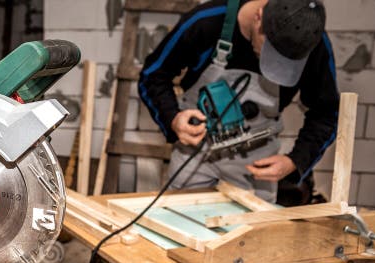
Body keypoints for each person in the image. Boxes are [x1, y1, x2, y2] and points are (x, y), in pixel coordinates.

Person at [139, 0, 339, 203]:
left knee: (251, 232)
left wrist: (295, 162)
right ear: (259, 18)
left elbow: (326, 114)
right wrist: (173, 119)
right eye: (272, 53)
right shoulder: (207, 21)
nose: (274, 64)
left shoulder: (312, 40)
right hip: (194, 154)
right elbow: (153, 76)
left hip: (256, 163)